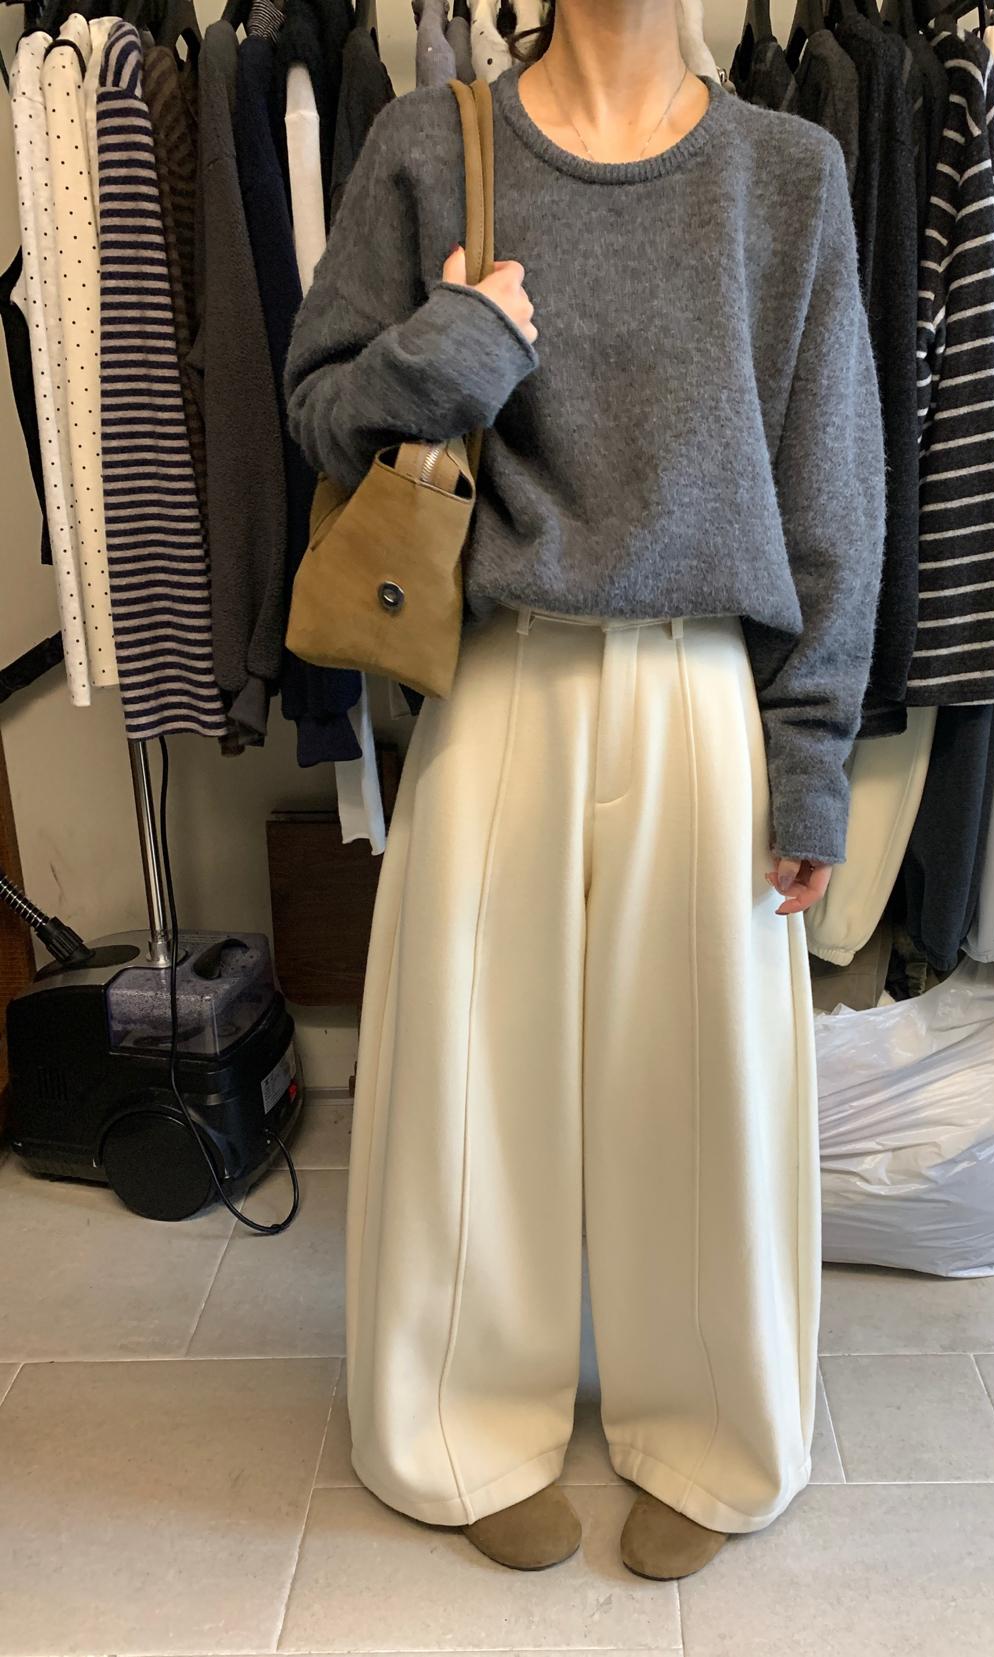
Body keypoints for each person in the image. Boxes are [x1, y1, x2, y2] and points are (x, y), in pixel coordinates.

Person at [285, 0, 883, 1583]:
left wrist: (810, 755)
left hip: (704, 695)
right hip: (499, 681)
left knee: (706, 1091)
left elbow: (831, 489)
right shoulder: (428, 147)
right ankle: (460, 1419)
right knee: (472, 1087)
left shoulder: (785, 173)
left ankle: (714, 1427)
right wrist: (449, 350)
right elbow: (318, 412)